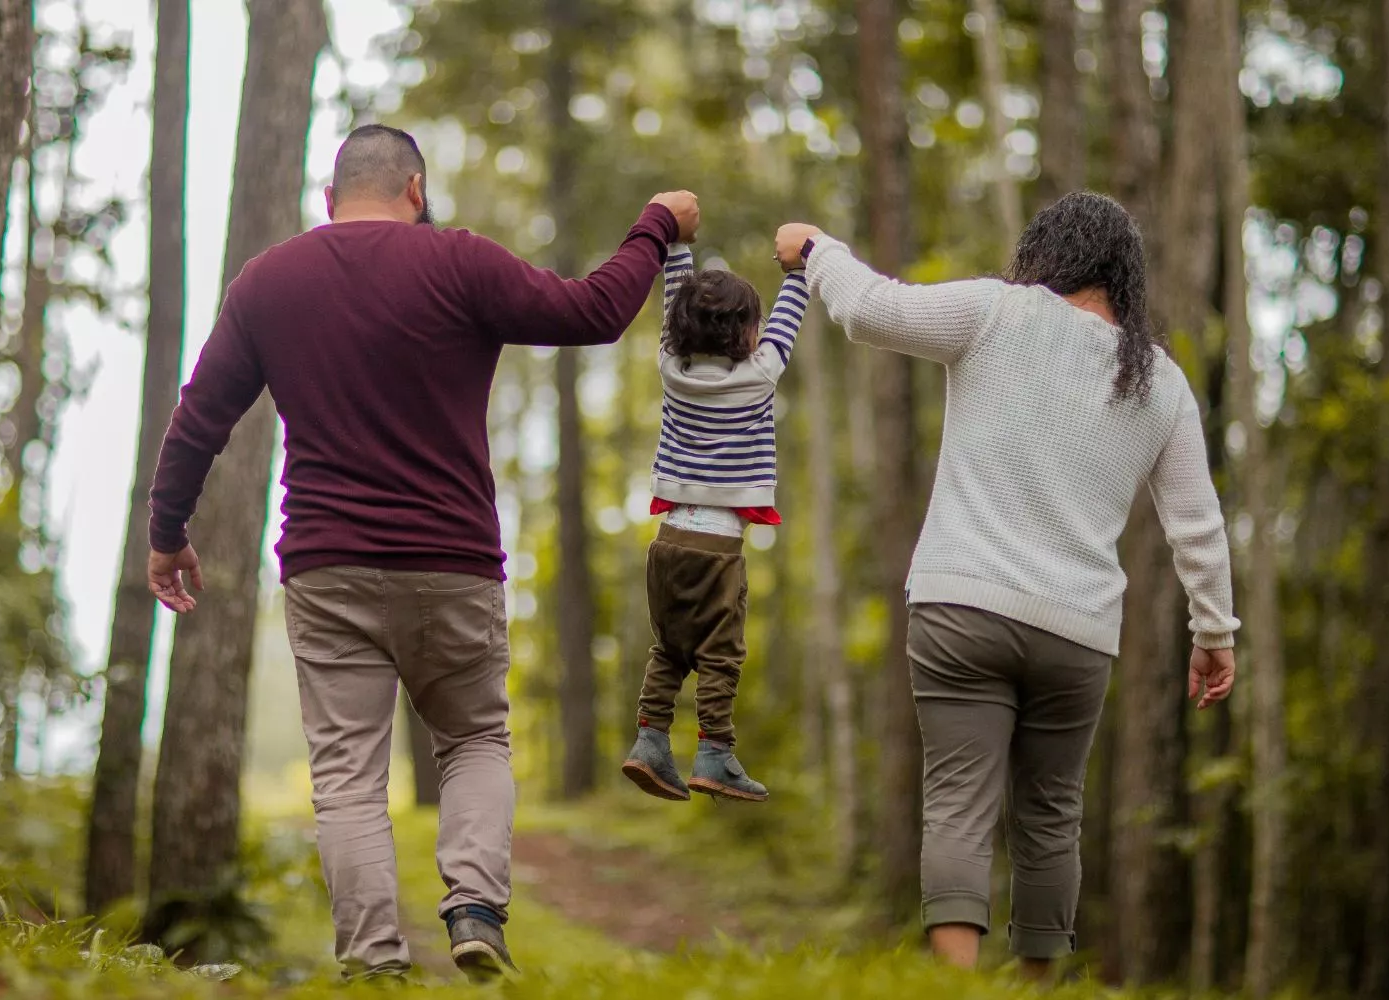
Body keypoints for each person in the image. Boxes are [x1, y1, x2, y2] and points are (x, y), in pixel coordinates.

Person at [145, 123, 700, 983]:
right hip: (451, 561)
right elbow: (594, 312)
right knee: (475, 737)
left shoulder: (269, 281)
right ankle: (476, 907)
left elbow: (200, 417)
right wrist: (655, 224)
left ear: (329, 202)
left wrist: (166, 532)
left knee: (347, 779)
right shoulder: (459, 261)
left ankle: (373, 963)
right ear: (416, 189)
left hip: (327, 567)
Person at [774, 192, 1239, 979]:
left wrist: (819, 248)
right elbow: (1197, 524)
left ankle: (956, 987)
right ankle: (1036, 989)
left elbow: (869, 311)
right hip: (1077, 633)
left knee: (959, 801)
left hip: (962, 607)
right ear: (1124, 277)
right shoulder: (1159, 382)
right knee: (1052, 819)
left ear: (1046, 253)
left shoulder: (996, 312)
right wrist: (1214, 634)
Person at [620, 244, 809, 803]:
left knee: (669, 649)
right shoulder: (759, 376)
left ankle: (650, 740)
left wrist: (677, 246)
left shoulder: (670, 369)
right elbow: (789, 317)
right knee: (719, 655)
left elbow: (671, 303)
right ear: (747, 333)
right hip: (718, 548)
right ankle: (714, 753)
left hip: (668, 542)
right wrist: (799, 269)